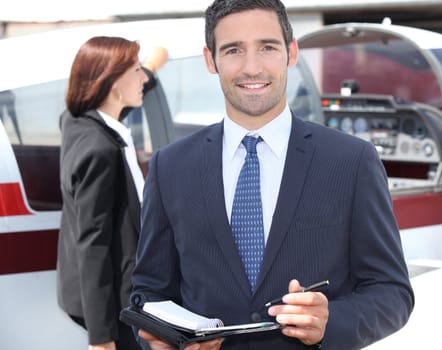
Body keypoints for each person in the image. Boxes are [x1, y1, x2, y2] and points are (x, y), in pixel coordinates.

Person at [131, 0, 414, 349]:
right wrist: (160, 342)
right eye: (233, 50)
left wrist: (332, 322)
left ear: (291, 52)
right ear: (211, 60)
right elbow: (148, 293)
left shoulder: (351, 161)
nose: (252, 67)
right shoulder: (170, 167)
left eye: (267, 47)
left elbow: (392, 292)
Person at [57, 36, 150, 350]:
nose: (146, 77)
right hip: (117, 305)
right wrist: (101, 337)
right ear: (112, 83)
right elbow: (92, 242)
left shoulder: (76, 121)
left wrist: (153, 63)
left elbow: (113, 105)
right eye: (138, 71)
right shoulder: (101, 151)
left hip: (97, 294)